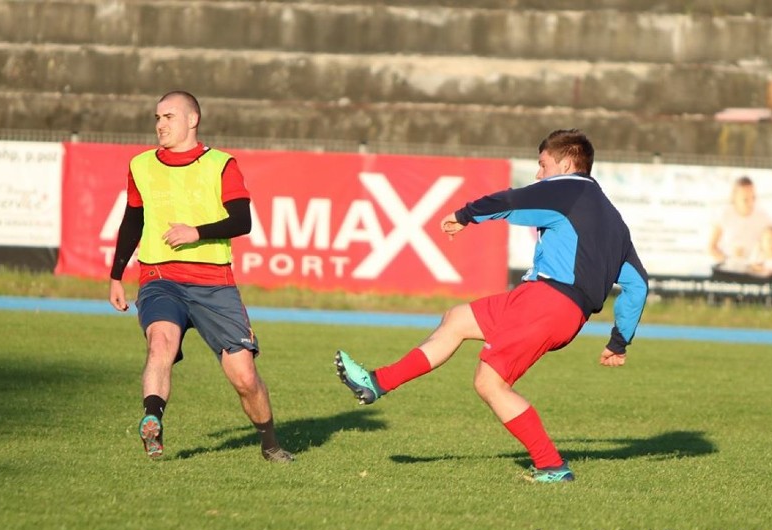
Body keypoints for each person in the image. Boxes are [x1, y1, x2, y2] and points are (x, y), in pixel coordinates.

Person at [334, 129, 648, 483]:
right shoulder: (615, 221)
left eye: (543, 165)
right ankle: (377, 382)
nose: (539, 174)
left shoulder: (568, 188)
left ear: (565, 163)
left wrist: (466, 215)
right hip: (548, 304)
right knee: (456, 320)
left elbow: (511, 200)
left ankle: (552, 466)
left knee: (490, 383)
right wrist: (618, 341)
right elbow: (637, 285)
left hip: (548, 302)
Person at [108, 90, 293, 462]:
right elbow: (133, 220)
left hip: (214, 283)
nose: (160, 124)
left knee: (244, 377)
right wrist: (116, 275)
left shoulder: (221, 164)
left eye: (169, 117)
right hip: (160, 276)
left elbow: (243, 220)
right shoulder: (141, 165)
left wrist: (197, 231)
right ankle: (152, 419)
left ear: (192, 120)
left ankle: (270, 444)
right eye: (157, 118)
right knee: (160, 343)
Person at [708, 177, 772, 273]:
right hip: (728, 270)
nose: (751, 203)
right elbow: (711, 247)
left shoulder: (763, 216)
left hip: (754, 271)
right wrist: (729, 261)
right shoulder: (725, 214)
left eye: (753, 198)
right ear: (734, 198)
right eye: (745, 199)